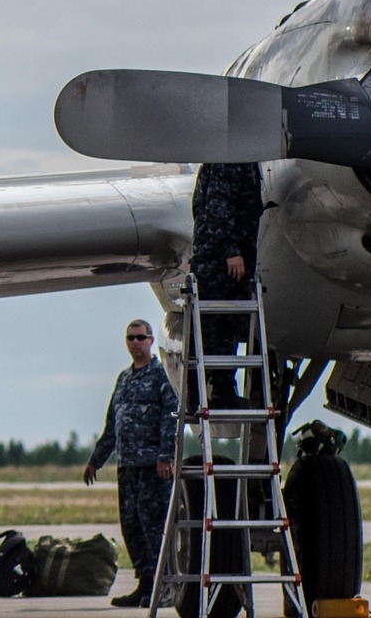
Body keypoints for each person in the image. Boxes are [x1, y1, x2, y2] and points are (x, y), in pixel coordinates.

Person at [85, 318, 179, 607]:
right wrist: (96, 461)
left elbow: (170, 418)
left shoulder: (161, 376)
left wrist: (165, 456)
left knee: (154, 529)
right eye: (131, 338)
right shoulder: (124, 378)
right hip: (127, 467)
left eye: (140, 337)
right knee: (132, 527)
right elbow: (113, 424)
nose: (135, 343)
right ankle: (146, 584)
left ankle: (165, 587)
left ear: (151, 340)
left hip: (152, 468)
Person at [190, 162, 263, 406]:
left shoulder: (246, 161)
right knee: (209, 326)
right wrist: (230, 251)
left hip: (235, 260)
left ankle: (222, 390)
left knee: (228, 325)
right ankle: (196, 392)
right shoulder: (229, 161)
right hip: (218, 261)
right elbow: (216, 209)